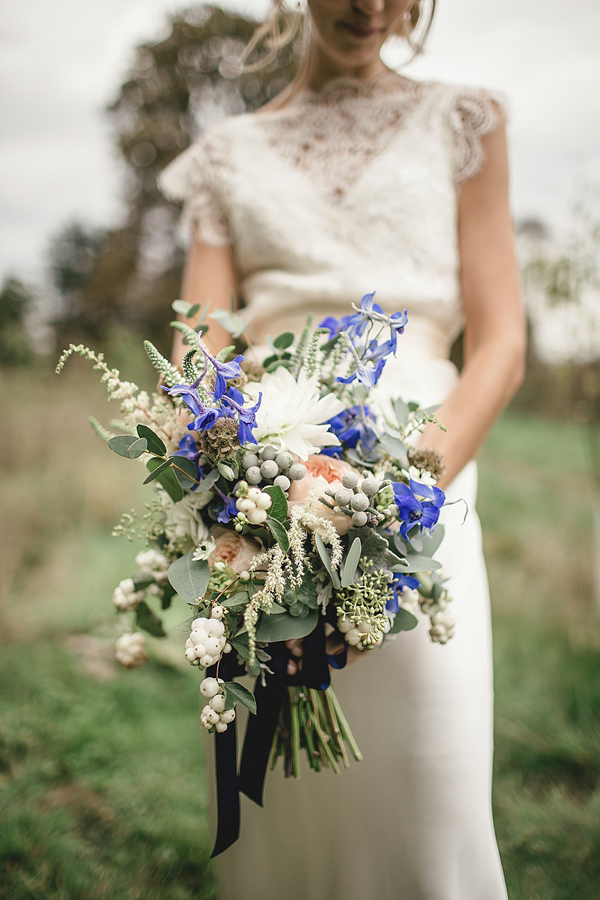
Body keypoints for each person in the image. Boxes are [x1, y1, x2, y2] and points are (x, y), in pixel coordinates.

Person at [159, 1, 526, 898]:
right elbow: (198, 351)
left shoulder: (465, 120)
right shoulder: (226, 157)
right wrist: (233, 482)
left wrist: (397, 493)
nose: (370, 4)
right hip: (267, 478)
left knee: (424, 775)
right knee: (283, 791)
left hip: (423, 476)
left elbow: (503, 342)